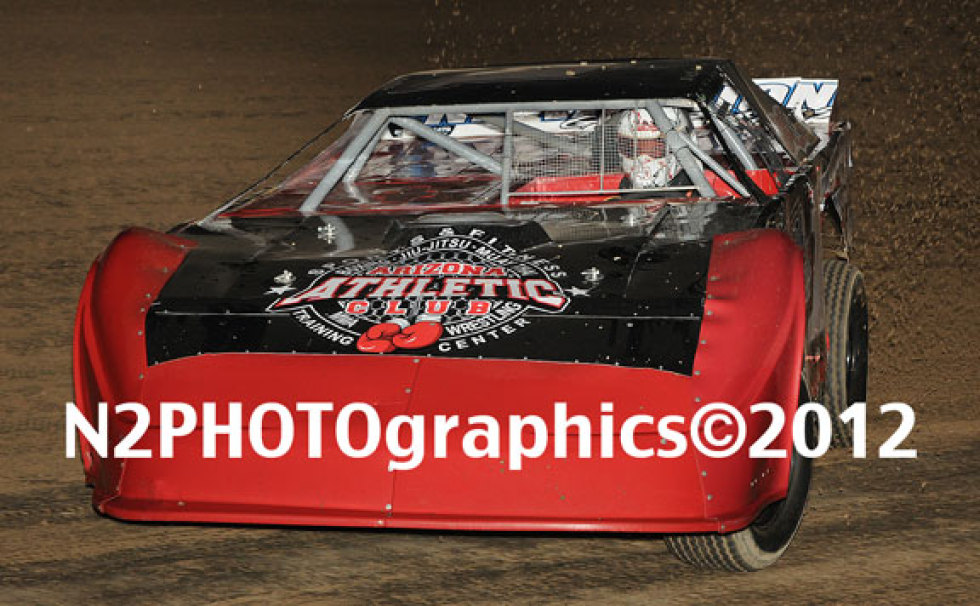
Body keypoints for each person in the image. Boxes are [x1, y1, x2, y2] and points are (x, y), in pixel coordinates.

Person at [615, 109, 692, 193]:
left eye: (656, 149)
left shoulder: (698, 192)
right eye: (635, 149)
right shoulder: (614, 194)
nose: (643, 159)